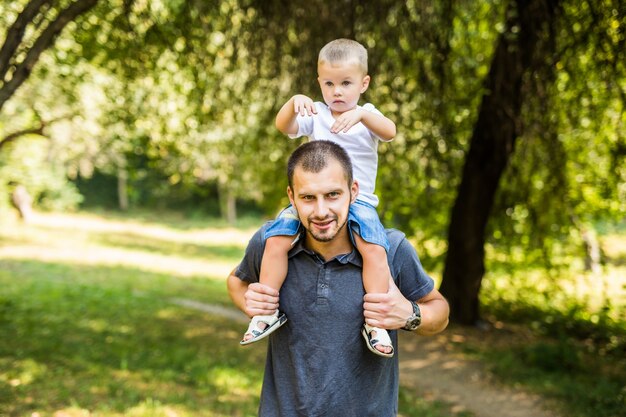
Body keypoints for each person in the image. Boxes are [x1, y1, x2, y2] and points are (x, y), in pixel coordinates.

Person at [228, 140, 449, 416]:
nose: (321, 211)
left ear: (353, 192)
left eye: (332, 195)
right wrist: (250, 303)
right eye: (308, 197)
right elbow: (237, 281)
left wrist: (410, 314)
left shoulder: (390, 250)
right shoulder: (272, 245)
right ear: (291, 196)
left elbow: (440, 311)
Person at [240, 38, 398, 357]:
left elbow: (390, 131)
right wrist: (294, 101)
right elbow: (284, 125)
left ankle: (377, 322)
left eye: (345, 83)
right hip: (313, 200)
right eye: (329, 83)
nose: (337, 91)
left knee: (374, 247)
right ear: (319, 83)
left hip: (359, 201)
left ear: (363, 83)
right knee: (276, 238)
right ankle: (267, 310)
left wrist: (364, 117)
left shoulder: (368, 115)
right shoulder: (319, 113)